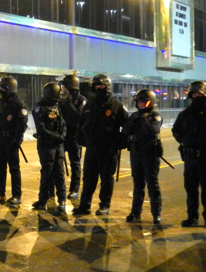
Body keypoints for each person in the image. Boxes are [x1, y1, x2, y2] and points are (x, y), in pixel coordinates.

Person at [72, 74, 128, 215]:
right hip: (92, 148)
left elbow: (127, 128)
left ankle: (104, 205)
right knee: (89, 178)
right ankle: (85, 205)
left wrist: (120, 142)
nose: (99, 88)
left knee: (106, 179)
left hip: (108, 150)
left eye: (102, 85)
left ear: (107, 87)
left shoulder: (116, 106)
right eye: (97, 86)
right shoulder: (90, 104)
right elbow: (82, 123)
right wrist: (81, 138)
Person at [123, 89, 163, 224]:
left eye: (143, 102)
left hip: (150, 154)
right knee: (138, 184)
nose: (140, 104)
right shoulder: (135, 116)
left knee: (152, 184)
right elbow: (126, 130)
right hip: (136, 153)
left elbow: (151, 131)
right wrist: (136, 118)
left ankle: (156, 213)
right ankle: (135, 212)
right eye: (138, 102)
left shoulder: (154, 116)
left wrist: (144, 117)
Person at [0, 76, 28, 205]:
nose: (0, 91)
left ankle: (16, 195)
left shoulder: (18, 104)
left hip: (11, 141)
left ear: (8, 89)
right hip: (1, 141)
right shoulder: (2, 103)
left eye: (2, 88)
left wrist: (17, 140)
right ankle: (0, 193)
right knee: (0, 168)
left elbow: (21, 124)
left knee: (14, 169)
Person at [172, 81, 206, 227]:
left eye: (199, 93)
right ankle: (192, 217)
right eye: (193, 94)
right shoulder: (185, 114)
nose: (196, 96)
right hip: (190, 159)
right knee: (191, 190)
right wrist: (185, 142)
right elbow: (176, 130)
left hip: (205, 158)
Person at [31, 82, 67, 212]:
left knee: (60, 173)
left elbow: (63, 123)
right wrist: (58, 137)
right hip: (47, 145)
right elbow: (41, 129)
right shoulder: (39, 108)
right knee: (46, 172)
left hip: (58, 145)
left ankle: (62, 201)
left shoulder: (58, 107)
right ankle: (42, 200)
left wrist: (63, 135)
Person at [58, 73, 86, 199]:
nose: (62, 88)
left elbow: (79, 116)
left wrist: (69, 103)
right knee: (57, 162)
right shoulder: (61, 100)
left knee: (75, 163)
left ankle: (74, 189)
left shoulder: (81, 100)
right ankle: (58, 188)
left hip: (74, 135)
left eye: (64, 86)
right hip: (62, 135)